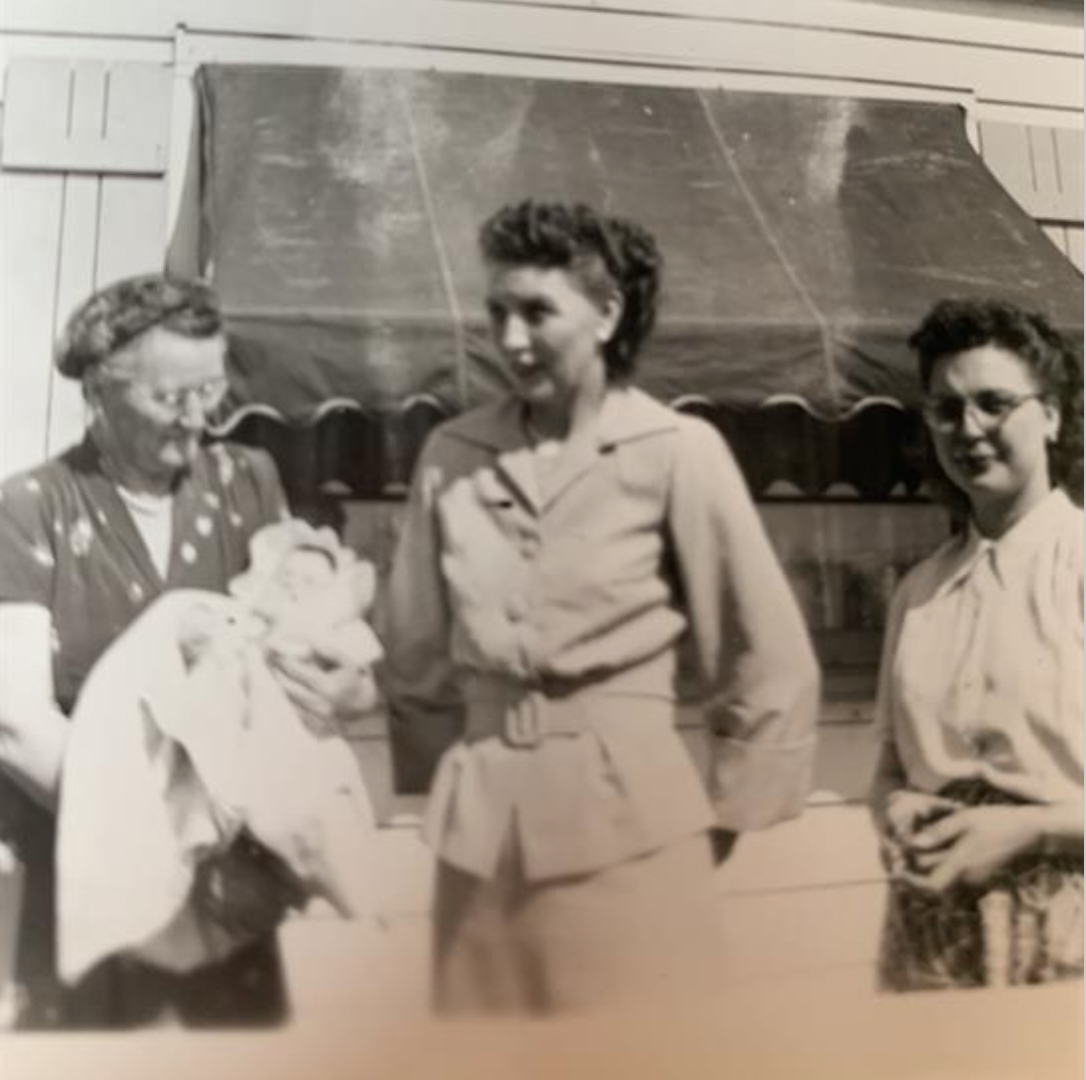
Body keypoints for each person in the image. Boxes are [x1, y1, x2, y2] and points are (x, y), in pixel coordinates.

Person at [380, 199, 820, 1016]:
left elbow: (767, 655)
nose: (511, 339)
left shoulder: (677, 452)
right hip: (480, 846)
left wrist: (713, 822)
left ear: (609, 313)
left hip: (634, 834)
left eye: (538, 311)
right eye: (497, 312)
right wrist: (458, 784)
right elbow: (412, 652)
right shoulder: (452, 454)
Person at [0, 274, 372, 1029]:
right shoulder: (32, 507)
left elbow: (301, 653)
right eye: (173, 398)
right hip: (91, 880)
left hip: (234, 886)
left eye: (213, 390)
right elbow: (14, 720)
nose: (201, 417)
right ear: (100, 395)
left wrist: (343, 693)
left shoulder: (247, 482)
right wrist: (160, 832)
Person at [56, 518, 383, 989]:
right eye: (288, 578)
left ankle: (355, 898)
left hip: (294, 757)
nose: (296, 587)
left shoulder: (252, 481)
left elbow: (364, 674)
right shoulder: (248, 615)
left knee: (318, 815)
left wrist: (349, 687)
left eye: (311, 581)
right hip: (195, 772)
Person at [869, 298, 1084, 991]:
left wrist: (1031, 831)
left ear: (1050, 414)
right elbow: (888, 769)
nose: (970, 430)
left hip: (1066, 939)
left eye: (994, 403)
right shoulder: (920, 593)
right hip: (929, 939)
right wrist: (898, 807)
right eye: (946, 409)